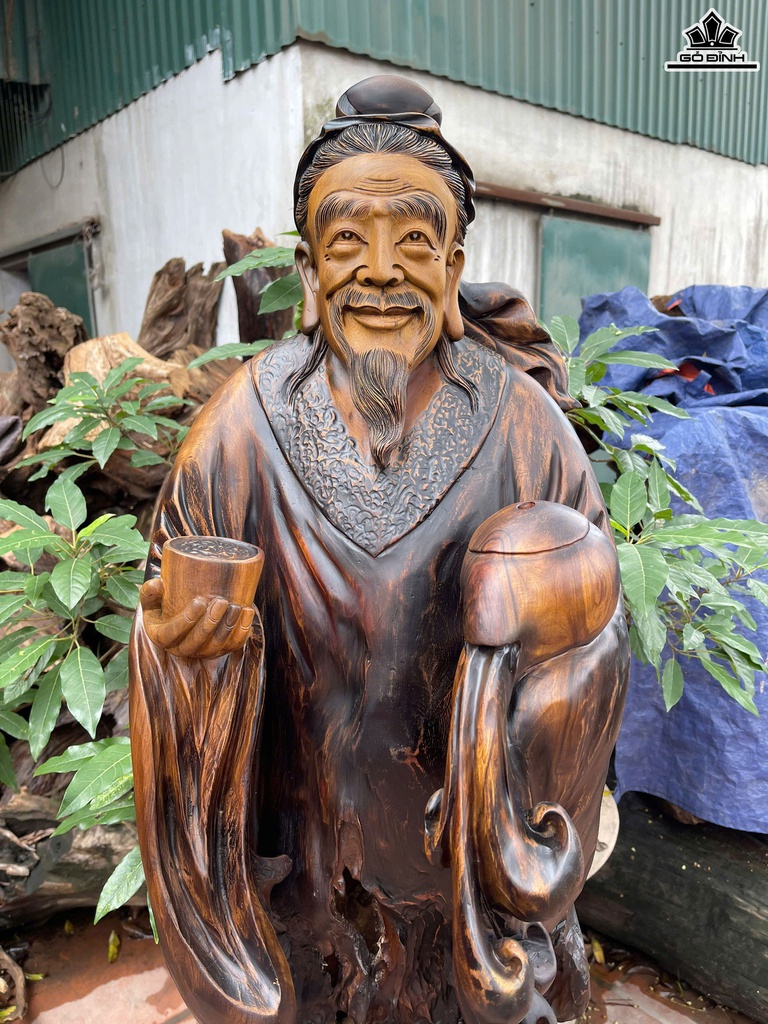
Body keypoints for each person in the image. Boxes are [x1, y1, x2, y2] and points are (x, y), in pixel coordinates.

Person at [129, 76, 628, 1024]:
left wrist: (559, 600)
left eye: (415, 242)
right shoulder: (242, 426)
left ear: (454, 263)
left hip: (461, 869)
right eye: (348, 242)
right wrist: (185, 653)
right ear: (309, 269)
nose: (382, 273)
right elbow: (171, 593)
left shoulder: (524, 425)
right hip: (303, 861)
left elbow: (594, 628)